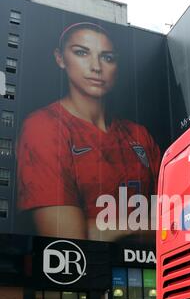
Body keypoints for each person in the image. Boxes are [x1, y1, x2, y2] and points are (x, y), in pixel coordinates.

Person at [17, 21, 161, 242]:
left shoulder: (139, 135)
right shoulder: (43, 127)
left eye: (107, 57)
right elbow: (68, 241)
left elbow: (177, 222)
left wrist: (101, 229)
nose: (96, 67)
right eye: (82, 53)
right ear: (60, 58)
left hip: (150, 270)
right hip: (80, 272)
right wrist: (145, 225)